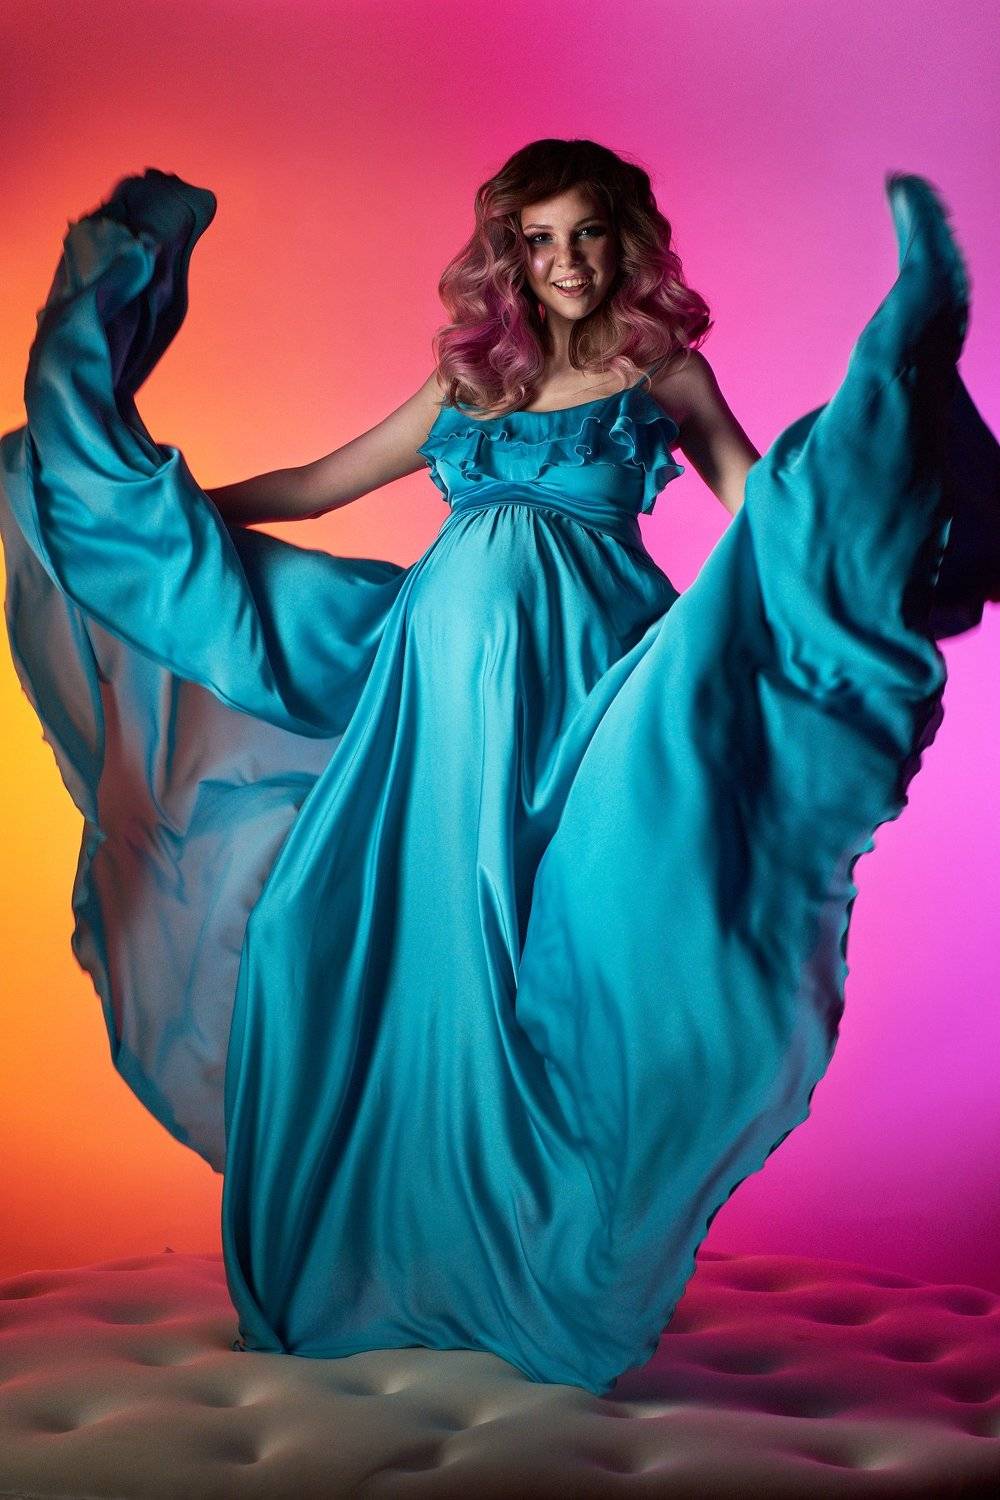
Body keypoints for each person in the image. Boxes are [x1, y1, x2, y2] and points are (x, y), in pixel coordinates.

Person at [0, 141, 995, 1396]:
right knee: (358, 948)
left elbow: (760, 513)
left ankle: (549, 1262)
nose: (565, 260)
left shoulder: (663, 373)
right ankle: (386, 1269)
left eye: (587, 233)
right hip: (433, 714)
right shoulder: (467, 381)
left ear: (625, 241)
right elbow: (315, 485)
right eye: (538, 239)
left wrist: (839, 541)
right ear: (507, 254)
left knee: (561, 955)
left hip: (585, 692)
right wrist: (170, 519)